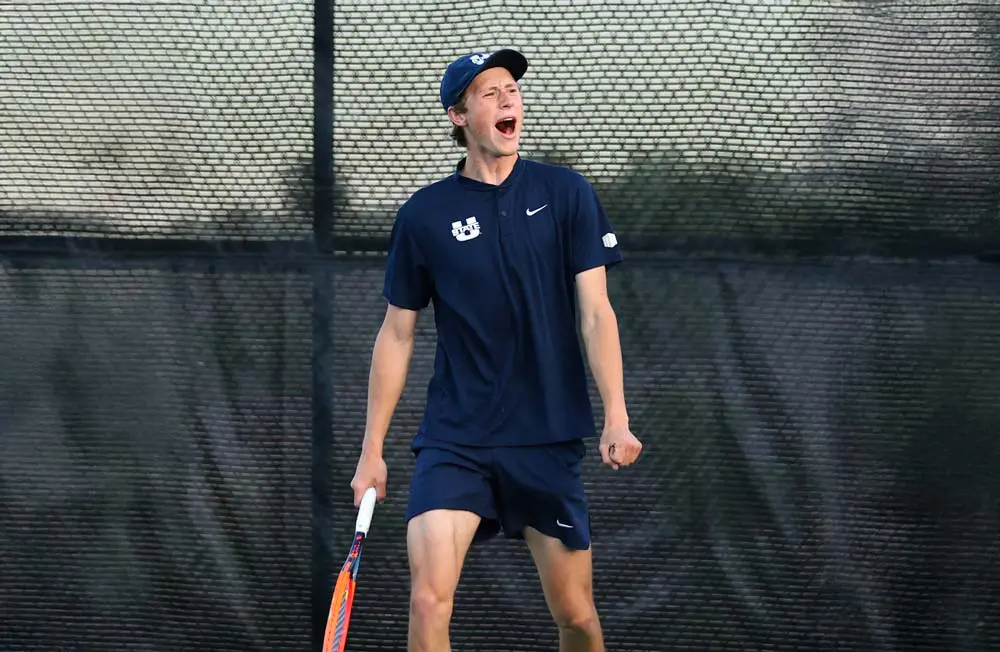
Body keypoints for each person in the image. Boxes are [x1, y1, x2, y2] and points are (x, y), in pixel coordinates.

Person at [350, 48, 642, 652]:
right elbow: (396, 334)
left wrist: (616, 415)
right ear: (458, 115)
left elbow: (595, 313)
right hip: (456, 440)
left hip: (545, 437)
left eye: (512, 89)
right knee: (429, 599)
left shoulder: (567, 194)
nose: (508, 99)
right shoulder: (424, 215)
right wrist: (371, 450)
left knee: (578, 618)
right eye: (490, 93)